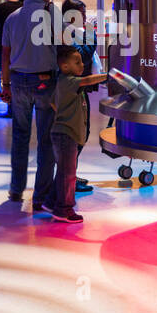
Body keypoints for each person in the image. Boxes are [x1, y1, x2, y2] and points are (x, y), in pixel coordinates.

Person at [0, 0, 58, 211]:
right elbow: (68, 42)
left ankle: (16, 190)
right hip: (45, 83)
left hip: (18, 82)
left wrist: (5, 85)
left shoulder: (12, 18)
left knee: (20, 137)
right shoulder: (51, 15)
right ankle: (41, 196)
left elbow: (5, 54)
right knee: (46, 140)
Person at [48, 46, 108, 223]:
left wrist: (66, 113)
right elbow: (88, 80)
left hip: (65, 133)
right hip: (66, 135)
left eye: (82, 61)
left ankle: (51, 201)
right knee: (68, 175)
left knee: (63, 172)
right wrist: (108, 76)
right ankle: (64, 210)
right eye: (77, 62)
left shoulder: (65, 83)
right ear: (65, 67)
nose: (82, 65)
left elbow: (53, 103)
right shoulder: (69, 81)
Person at [60, 0, 99, 194]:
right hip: (73, 90)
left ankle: (70, 175)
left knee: (81, 132)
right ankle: (68, 179)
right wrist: (92, 36)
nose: (84, 18)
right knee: (77, 133)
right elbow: (83, 55)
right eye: (81, 14)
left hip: (77, 88)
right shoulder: (67, 34)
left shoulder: (71, 32)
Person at [0, 0, 22, 118]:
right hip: (20, 47)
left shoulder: (2, 7)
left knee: (6, 77)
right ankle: (20, 108)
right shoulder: (22, 7)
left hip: (4, 47)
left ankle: (11, 109)